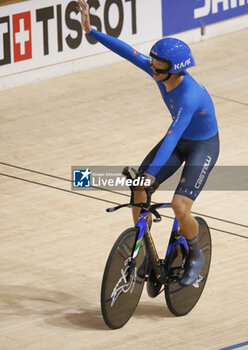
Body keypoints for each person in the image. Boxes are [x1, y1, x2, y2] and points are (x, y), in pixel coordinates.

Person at [76, 0, 220, 286]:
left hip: (201, 146)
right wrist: (92, 31)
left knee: (180, 206)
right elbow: (128, 52)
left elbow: (173, 134)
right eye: (153, 60)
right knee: (139, 185)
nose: (152, 66)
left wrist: (153, 174)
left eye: (159, 64)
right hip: (179, 142)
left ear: (175, 69)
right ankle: (142, 244)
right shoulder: (161, 73)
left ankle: (195, 254)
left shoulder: (189, 96)